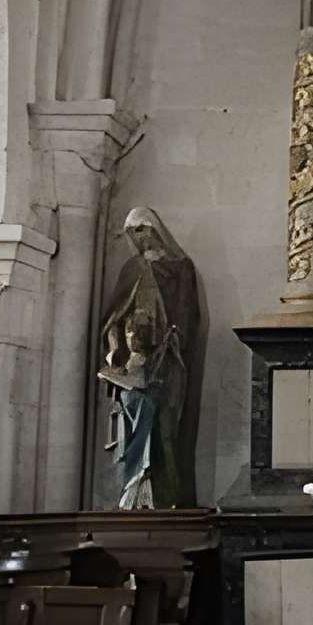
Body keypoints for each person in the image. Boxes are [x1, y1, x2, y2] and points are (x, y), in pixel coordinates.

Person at [97, 207, 200, 508]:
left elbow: (187, 317)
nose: (138, 238)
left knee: (166, 431)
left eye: (141, 229)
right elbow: (112, 318)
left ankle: (166, 495)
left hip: (168, 364)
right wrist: (117, 348)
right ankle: (133, 494)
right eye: (132, 232)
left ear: (154, 229)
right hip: (135, 369)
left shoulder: (181, 269)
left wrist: (172, 341)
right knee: (133, 431)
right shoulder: (133, 269)